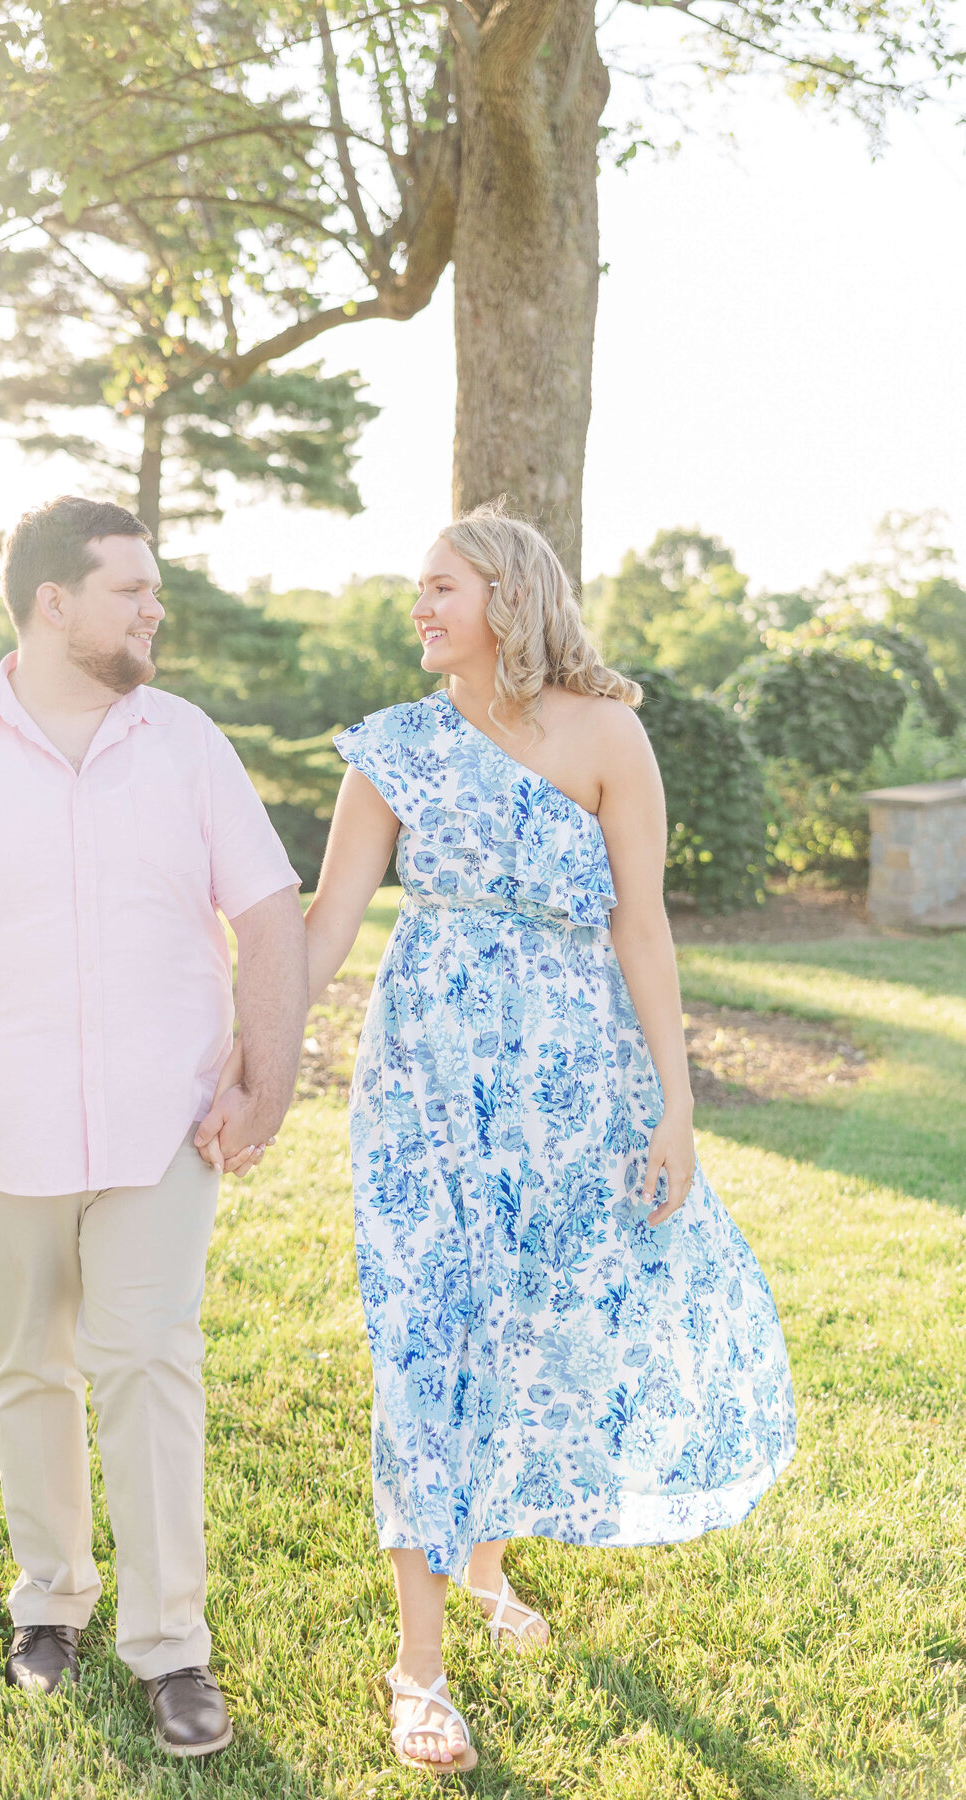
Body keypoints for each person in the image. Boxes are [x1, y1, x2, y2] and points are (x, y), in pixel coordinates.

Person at [201, 500, 797, 1775]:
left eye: (441, 589)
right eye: (415, 590)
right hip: (423, 1084)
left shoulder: (606, 733)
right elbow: (325, 929)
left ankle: (486, 1569)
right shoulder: (396, 748)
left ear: (509, 600)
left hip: (579, 1087)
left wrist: (677, 1105)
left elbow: (644, 926)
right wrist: (252, 1056)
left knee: (541, 1321)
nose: (418, 609)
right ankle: (417, 1668)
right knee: (427, 1335)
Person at [0, 496, 308, 1758]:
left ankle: (172, 1646)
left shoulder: (188, 743)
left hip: (162, 1126)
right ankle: (51, 1600)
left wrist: (270, 1074)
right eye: (131, 589)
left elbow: (268, 916)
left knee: (150, 1365)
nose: (154, 609)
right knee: (27, 1368)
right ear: (52, 604)